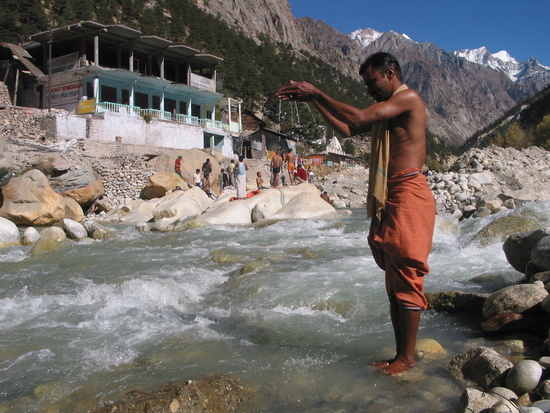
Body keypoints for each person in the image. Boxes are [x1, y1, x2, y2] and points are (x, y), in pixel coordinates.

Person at [277, 52, 436, 376]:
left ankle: (407, 359)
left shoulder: (408, 99)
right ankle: (400, 356)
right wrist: (314, 102)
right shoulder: (391, 105)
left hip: (408, 191)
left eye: (372, 82)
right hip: (392, 193)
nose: (368, 90)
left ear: (390, 73)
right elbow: (349, 129)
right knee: (394, 276)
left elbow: (361, 119)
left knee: (406, 272)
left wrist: (318, 92)